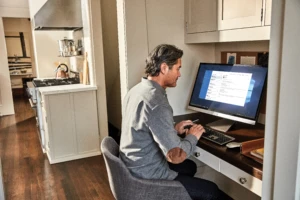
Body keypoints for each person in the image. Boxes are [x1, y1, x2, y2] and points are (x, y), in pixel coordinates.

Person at [119, 44, 231, 200]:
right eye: (177, 68)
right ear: (164, 68)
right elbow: (175, 156)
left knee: (190, 167)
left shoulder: (137, 90)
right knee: (211, 191)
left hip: (133, 166)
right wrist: (192, 136)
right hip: (147, 176)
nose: (179, 74)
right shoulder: (156, 102)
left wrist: (172, 129)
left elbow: (143, 126)